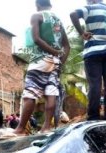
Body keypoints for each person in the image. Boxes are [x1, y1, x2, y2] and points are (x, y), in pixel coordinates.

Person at [14, 0, 70, 135]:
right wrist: (60, 60)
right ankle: (46, 127)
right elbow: (67, 46)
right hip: (55, 62)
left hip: (40, 60)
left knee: (30, 93)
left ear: (37, 5)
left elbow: (36, 39)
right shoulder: (58, 21)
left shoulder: (37, 16)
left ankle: (20, 128)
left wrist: (52, 51)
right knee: (51, 92)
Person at [70, 0, 106, 121]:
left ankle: (93, 116)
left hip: (93, 50)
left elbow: (73, 14)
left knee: (95, 84)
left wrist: (82, 33)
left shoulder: (90, 8)